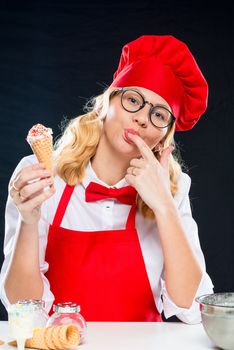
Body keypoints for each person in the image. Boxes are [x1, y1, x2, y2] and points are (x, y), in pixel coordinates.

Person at [0, 34, 214, 324]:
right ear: (105, 103)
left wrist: (164, 207)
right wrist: (28, 220)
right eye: (133, 100)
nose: (142, 118)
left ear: (164, 135)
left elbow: (192, 310)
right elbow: (22, 308)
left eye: (159, 114)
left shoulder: (173, 188)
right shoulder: (41, 175)